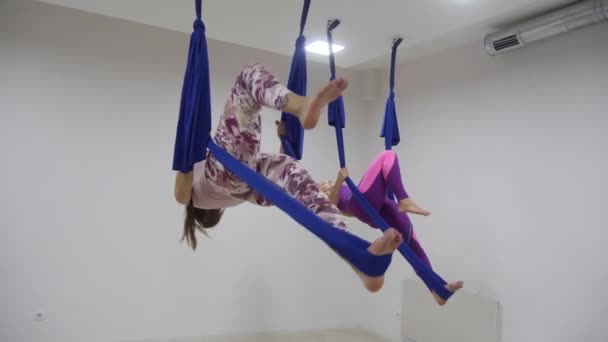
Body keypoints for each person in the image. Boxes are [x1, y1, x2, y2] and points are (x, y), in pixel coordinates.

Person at [174, 63, 403, 292]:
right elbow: (181, 194)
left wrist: (284, 140)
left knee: (296, 177)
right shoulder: (194, 195)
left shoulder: (231, 196)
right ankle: (299, 105)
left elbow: (274, 188)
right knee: (246, 78)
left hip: (248, 179)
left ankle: (360, 262)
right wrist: (188, 144)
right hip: (226, 169)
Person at [278, 120, 463, 305]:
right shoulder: (320, 198)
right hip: (360, 203)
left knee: (412, 244)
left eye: (326, 182)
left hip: (377, 209)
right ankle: (404, 200)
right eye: (324, 184)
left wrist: (283, 136)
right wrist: (338, 181)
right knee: (387, 156)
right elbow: (331, 206)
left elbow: (292, 164)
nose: (325, 183)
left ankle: (438, 290)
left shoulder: (339, 191)